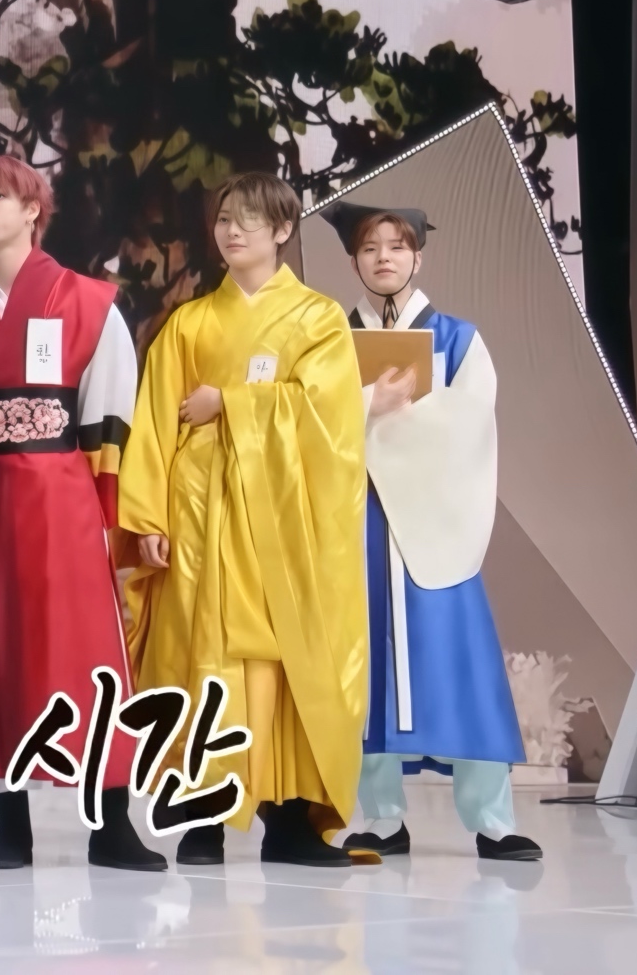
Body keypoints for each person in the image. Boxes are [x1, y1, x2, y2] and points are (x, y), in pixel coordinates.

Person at [117, 171, 368, 867]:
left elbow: (330, 418)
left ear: (283, 230)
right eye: (224, 218)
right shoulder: (190, 322)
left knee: (282, 660)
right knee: (206, 660)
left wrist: (231, 402)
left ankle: (290, 819)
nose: (231, 231)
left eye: (249, 219)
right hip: (199, 514)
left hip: (280, 522)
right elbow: (153, 423)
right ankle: (202, 817)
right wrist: (148, 515)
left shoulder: (318, 319)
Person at [0, 154, 165, 872]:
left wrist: (108, 515)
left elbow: (109, 418)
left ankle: (112, 823)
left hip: (64, 498)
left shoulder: (89, 302)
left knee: (85, 651)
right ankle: (11, 825)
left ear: (34, 209)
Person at [319, 201, 540, 863]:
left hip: (432, 525)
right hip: (356, 521)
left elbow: (471, 428)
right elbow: (307, 422)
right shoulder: (331, 340)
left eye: (397, 245)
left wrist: (381, 428)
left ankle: (492, 819)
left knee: (459, 661)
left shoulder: (460, 340)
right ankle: (382, 816)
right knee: (364, 671)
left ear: (419, 256)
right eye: (370, 247)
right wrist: (367, 407)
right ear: (353, 261)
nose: (384, 257)